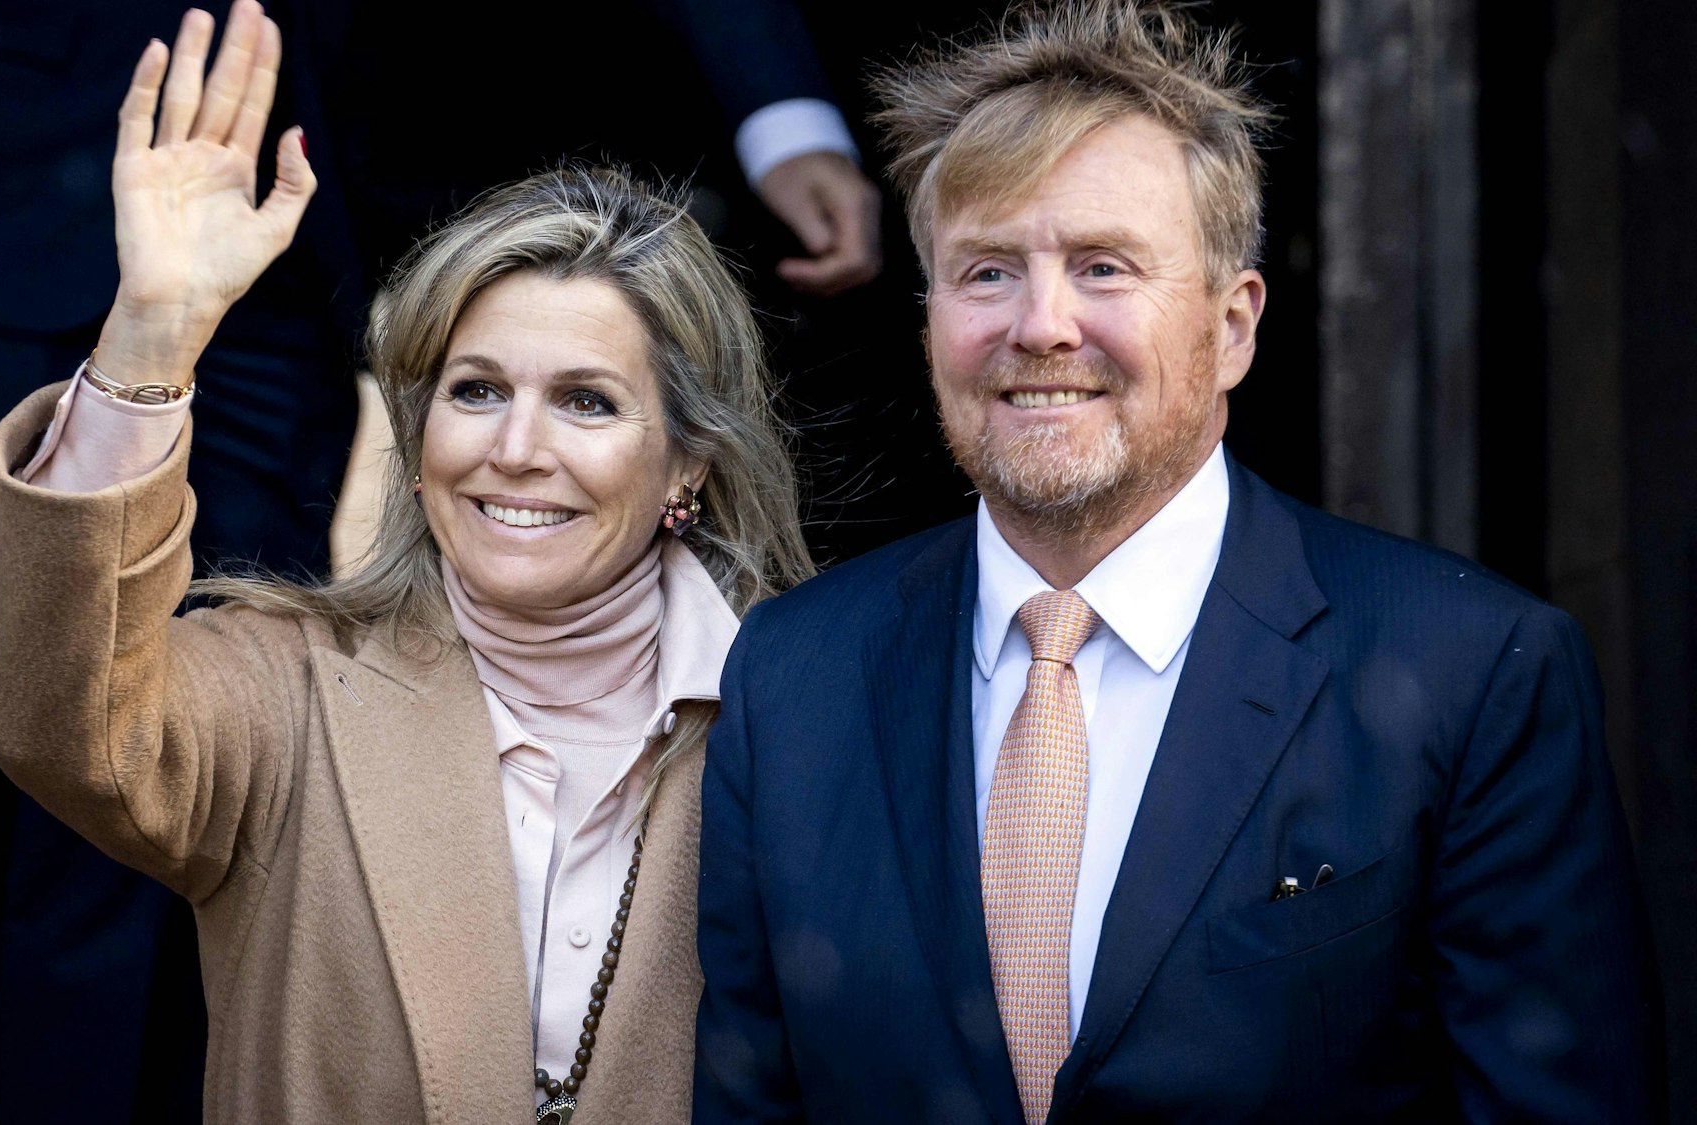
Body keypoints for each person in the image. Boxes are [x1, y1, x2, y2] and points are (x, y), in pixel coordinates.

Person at [692, 1, 1661, 1121]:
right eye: (986, 272)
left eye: (1103, 267)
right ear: (928, 322)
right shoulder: (791, 677)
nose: (1040, 325)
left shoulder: (1474, 670)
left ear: (1233, 325)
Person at [0, 6, 812, 1122]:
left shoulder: (811, 711)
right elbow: (49, 713)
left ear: (684, 466)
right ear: (418, 447)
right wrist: (149, 339)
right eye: (475, 391)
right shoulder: (287, 687)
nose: (514, 449)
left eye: (586, 402)